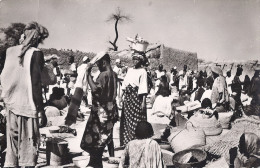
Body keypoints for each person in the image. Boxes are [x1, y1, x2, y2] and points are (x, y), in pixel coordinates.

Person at [1, 22, 48, 167]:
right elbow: (35, 84)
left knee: (12, 148)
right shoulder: (36, 53)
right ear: (37, 39)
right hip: (28, 106)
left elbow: (4, 76)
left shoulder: (10, 51)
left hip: (11, 105)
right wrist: (41, 110)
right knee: (29, 149)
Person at [80, 52, 118, 167]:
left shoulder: (103, 75)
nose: (99, 66)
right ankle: (103, 161)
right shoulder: (114, 74)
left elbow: (95, 89)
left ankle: (96, 163)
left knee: (96, 137)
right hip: (111, 110)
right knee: (106, 135)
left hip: (101, 111)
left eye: (99, 64)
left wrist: (88, 75)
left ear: (104, 62)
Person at [120, 52, 148, 146]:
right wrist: (121, 97)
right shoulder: (130, 70)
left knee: (137, 120)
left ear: (140, 61)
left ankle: (137, 140)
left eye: (137, 59)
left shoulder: (143, 71)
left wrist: (143, 102)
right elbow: (125, 84)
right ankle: (127, 141)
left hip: (136, 98)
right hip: (127, 98)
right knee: (127, 119)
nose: (135, 61)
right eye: (134, 59)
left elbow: (143, 87)